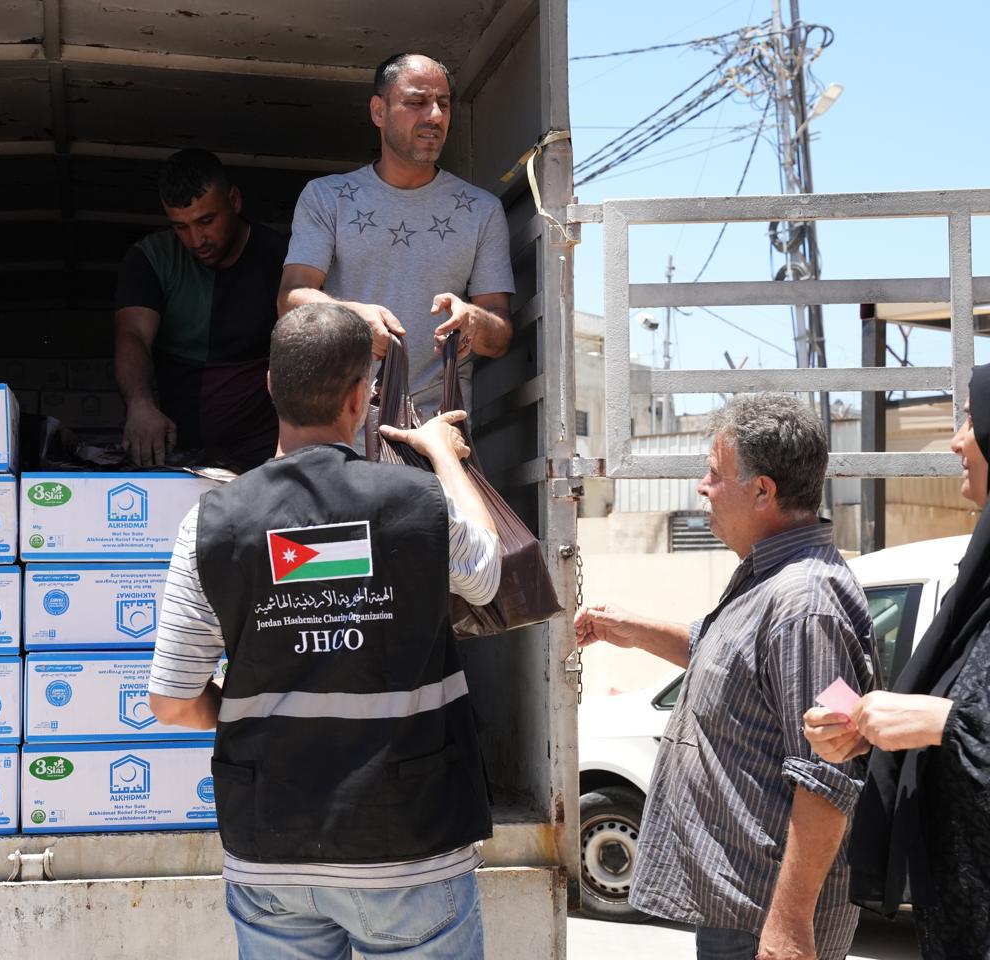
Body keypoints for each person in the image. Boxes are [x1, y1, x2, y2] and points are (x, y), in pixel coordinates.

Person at [148, 302, 502, 959]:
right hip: (408, 845)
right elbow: (486, 577)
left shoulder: (211, 523)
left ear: (270, 387)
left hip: (271, 849)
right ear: (360, 398)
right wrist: (443, 456)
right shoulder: (415, 502)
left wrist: (260, 710)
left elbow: (171, 702)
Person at [575, 393, 876, 960]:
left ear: (763, 490)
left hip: (764, 920)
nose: (702, 487)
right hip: (741, 909)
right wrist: (631, 629)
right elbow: (728, 656)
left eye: (715, 473)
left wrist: (789, 925)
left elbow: (826, 776)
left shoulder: (805, 603)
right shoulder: (770, 576)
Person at [805, 366, 990, 959]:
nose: (957, 441)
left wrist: (941, 723)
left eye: (971, 421)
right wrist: (873, 733)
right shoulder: (978, 584)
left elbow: (960, 723)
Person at [278, 53, 515, 422]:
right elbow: (291, 298)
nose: (434, 116)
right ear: (379, 111)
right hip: (339, 429)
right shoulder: (327, 197)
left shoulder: (482, 210)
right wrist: (353, 318)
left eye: (443, 104)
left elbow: (500, 337)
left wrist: (473, 321)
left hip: (438, 435)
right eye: (416, 102)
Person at [114, 149, 286, 470]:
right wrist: (140, 405)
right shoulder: (151, 258)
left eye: (206, 221)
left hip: (262, 455)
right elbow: (132, 335)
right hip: (175, 451)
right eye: (181, 227)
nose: (196, 240)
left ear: (234, 200)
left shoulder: (282, 259)